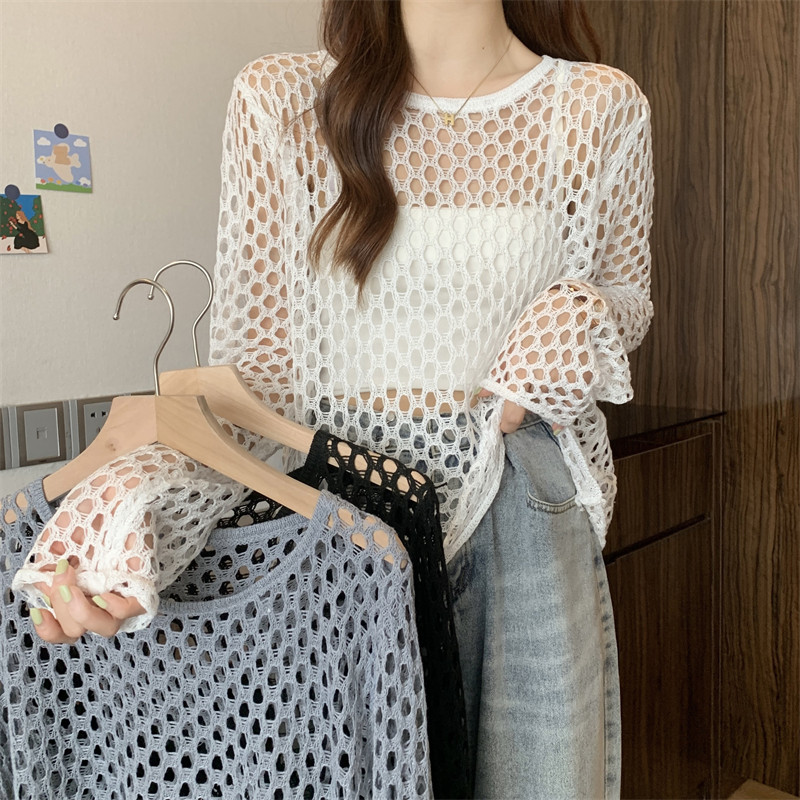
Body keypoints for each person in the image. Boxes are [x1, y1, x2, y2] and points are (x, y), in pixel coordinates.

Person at [30, 1, 653, 797]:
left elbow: (629, 294)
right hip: (339, 517)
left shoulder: (598, 105)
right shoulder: (281, 101)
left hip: (521, 508)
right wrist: (146, 491)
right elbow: (253, 380)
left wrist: (581, 311)